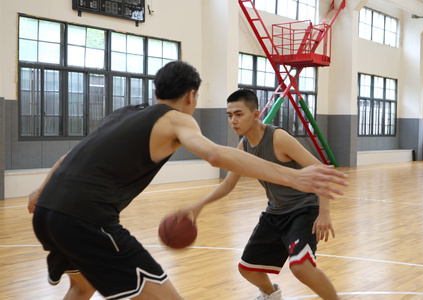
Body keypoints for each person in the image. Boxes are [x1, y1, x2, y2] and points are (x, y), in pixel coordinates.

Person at [27, 61, 347, 300]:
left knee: (82, 287)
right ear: (191, 96)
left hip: (46, 212)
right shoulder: (179, 119)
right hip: (86, 218)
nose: (233, 120)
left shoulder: (123, 113)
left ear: (156, 91)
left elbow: (69, 156)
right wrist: (293, 175)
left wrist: (41, 189)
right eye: (229, 114)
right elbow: (216, 156)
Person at [178, 89, 339, 300]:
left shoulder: (278, 138)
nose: (233, 120)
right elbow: (228, 184)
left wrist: (324, 212)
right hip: (275, 213)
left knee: (301, 267)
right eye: (229, 115)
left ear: (255, 115)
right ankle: (272, 295)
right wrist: (199, 205)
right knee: (247, 268)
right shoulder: (243, 146)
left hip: (302, 210)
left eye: (238, 114)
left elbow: (322, 171)